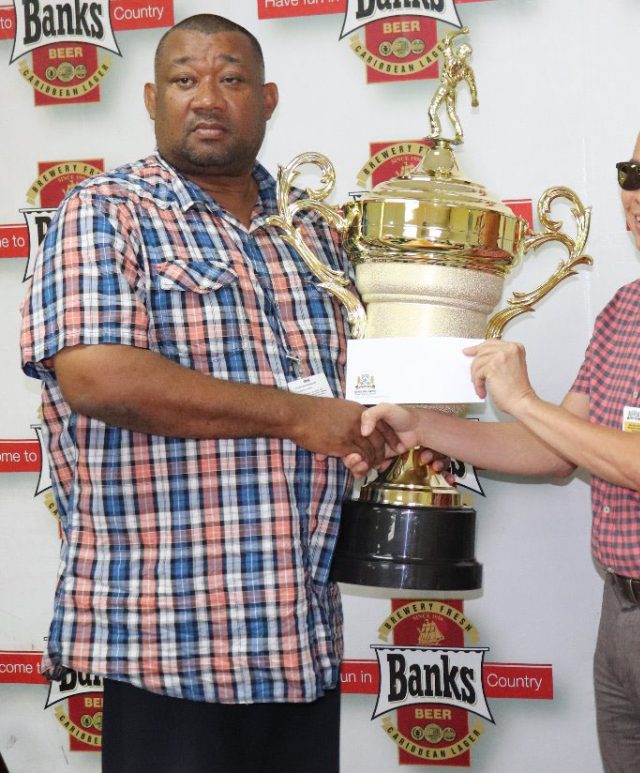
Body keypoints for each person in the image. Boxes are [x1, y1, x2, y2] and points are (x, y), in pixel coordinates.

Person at [348, 102, 640, 772]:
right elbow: (555, 451)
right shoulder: (625, 307)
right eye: (634, 173)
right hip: (621, 615)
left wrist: (525, 400)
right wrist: (423, 424)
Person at [19, 14, 394, 773]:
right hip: (172, 639)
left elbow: (365, 387)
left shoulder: (314, 231)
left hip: (297, 638)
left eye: (232, 78)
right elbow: (98, 375)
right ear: (153, 99)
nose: (208, 98)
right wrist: (297, 417)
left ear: (269, 98)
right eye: (186, 80)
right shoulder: (107, 210)